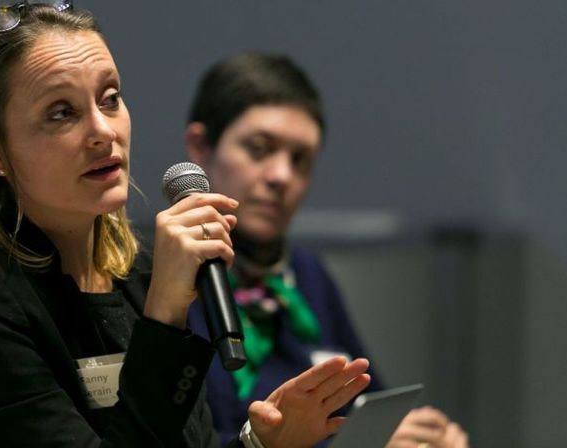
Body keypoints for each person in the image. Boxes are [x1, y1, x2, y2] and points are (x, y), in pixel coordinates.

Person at [0, 0, 371, 448]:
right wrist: (165, 318)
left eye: (110, 99)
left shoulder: (135, 271)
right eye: (61, 113)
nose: (103, 131)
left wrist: (262, 443)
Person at [184, 52, 469, 448]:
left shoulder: (308, 275)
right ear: (200, 147)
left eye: (300, 159)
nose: (282, 176)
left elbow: (368, 405)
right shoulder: (160, 276)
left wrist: (421, 437)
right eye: (259, 148)